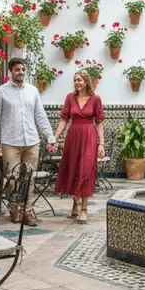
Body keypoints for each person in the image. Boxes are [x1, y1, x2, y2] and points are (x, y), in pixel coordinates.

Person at [0, 57, 57, 226]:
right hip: (10, 141)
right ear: (10, 72)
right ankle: (15, 209)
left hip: (32, 141)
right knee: (12, 178)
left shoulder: (32, 91)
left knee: (29, 177)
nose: (21, 73)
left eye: (23, 70)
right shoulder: (0, 92)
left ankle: (27, 211)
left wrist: (50, 138)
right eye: (17, 70)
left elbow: (40, 115)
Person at [54, 71, 105, 224]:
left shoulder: (96, 99)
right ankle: (75, 202)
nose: (77, 82)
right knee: (74, 169)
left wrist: (101, 143)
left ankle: (84, 208)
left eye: (80, 80)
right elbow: (64, 120)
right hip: (73, 137)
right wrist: (54, 138)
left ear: (86, 82)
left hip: (89, 137)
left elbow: (99, 122)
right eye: (75, 80)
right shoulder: (70, 98)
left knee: (86, 170)